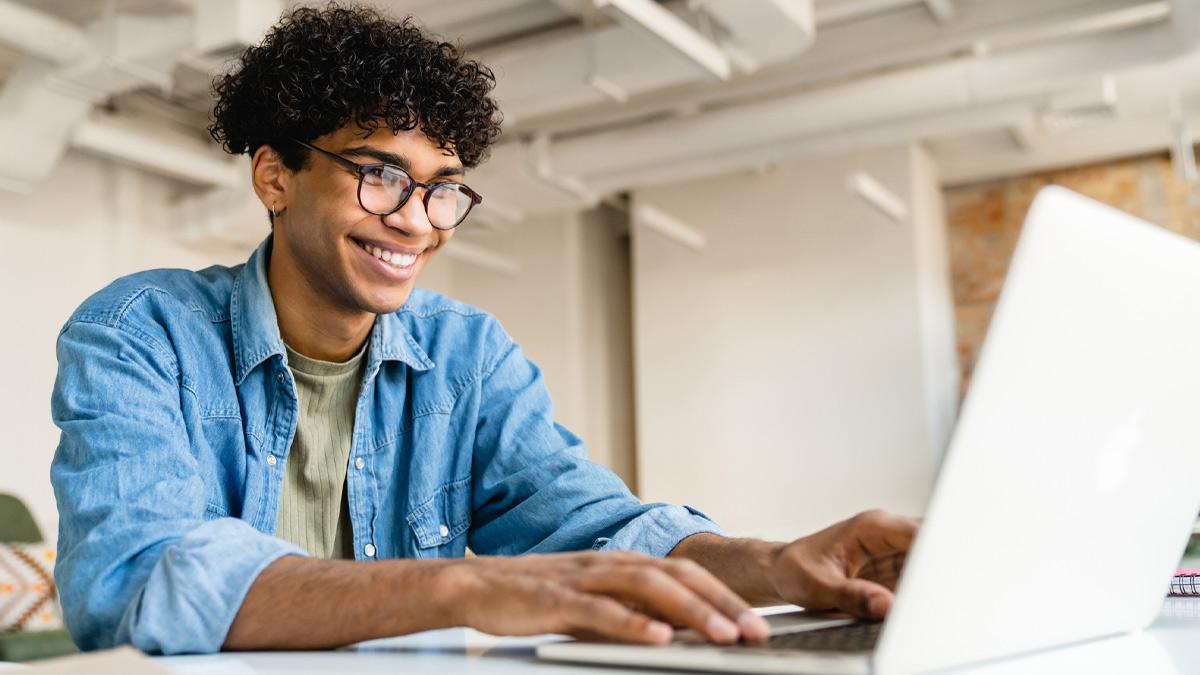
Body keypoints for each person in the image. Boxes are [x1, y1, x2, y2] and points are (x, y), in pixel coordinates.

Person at [49, 3, 917, 655]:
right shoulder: (140, 333)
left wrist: (778, 563)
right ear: (275, 176)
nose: (417, 220)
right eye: (380, 174)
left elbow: (594, 527)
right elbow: (138, 580)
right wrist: (467, 584)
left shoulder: (467, 355)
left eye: (441, 187)